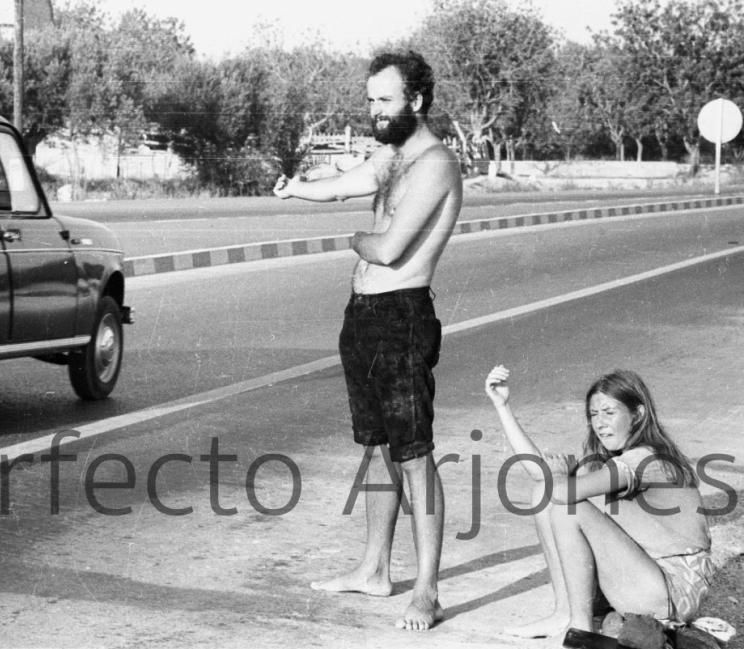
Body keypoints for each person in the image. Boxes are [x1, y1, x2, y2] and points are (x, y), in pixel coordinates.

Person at [273, 50, 462, 631]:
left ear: (416, 101)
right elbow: (342, 184)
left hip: (401, 317)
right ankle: (374, 569)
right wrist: (296, 188)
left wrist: (358, 237)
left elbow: (387, 249)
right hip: (364, 316)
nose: (374, 110)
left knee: (415, 456)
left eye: (385, 100)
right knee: (377, 446)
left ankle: (427, 590)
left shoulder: (434, 163)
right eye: (371, 100)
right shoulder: (392, 157)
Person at [483, 365, 714, 642]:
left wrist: (558, 477)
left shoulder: (647, 458)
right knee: (545, 494)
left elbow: (562, 492)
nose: (600, 423)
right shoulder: (615, 458)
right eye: (593, 414)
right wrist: (503, 406)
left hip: (673, 591)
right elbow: (541, 479)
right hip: (644, 578)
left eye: (609, 412)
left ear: (637, 414)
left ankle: (581, 629)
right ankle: (563, 614)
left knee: (569, 505)